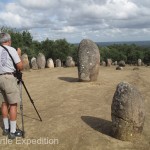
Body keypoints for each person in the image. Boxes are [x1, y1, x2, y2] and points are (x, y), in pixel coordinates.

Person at [0, 32, 23, 139]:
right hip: (9, 78)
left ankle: (6, 128)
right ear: (8, 40)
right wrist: (18, 54)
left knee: (4, 103)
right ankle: (13, 132)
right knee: (13, 104)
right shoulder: (11, 49)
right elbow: (20, 66)